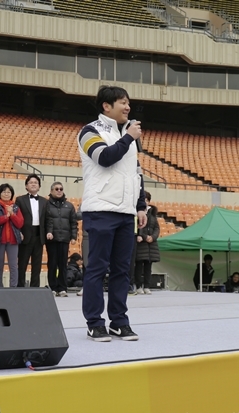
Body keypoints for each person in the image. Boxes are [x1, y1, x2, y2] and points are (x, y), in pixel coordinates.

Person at [77, 85, 147, 342]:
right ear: (106, 106)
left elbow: (135, 174)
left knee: (122, 271)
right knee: (96, 269)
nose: (127, 107)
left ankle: (119, 321)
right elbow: (105, 157)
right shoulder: (89, 131)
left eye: (128, 102)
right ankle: (94, 323)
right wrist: (128, 137)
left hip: (126, 212)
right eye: (122, 102)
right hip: (100, 209)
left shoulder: (128, 135)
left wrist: (140, 206)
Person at [45, 182, 78, 297]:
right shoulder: (46, 205)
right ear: (52, 191)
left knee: (63, 264)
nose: (59, 191)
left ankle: (63, 288)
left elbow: (73, 223)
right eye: (56, 189)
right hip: (52, 239)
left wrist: (74, 236)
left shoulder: (69, 206)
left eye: (61, 189)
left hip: (64, 239)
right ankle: (53, 287)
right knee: (52, 264)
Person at [16, 174, 47, 287]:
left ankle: (35, 287)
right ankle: (20, 286)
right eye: (31, 182)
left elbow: (47, 219)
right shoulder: (20, 200)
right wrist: (19, 231)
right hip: (25, 234)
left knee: (37, 265)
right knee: (22, 263)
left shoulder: (44, 201)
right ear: (26, 186)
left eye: (36, 182)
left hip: (39, 235)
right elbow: (17, 217)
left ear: (39, 186)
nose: (33, 184)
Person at [0, 183, 24, 288]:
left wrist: (12, 214)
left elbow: (20, 223)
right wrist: (6, 216)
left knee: (13, 265)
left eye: (8, 192)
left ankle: (13, 287)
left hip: (13, 240)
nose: (6, 194)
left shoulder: (15, 207)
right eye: (4, 192)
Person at [134, 191, 160, 295]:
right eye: (143, 200)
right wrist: (144, 237)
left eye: (147, 200)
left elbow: (157, 228)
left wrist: (153, 237)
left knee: (148, 267)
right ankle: (139, 286)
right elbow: (138, 227)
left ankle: (147, 286)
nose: (145, 202)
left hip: (151, 245)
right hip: (141, 244)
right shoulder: (137, 212)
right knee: (139, 267)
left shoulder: (153, 214)